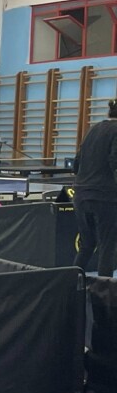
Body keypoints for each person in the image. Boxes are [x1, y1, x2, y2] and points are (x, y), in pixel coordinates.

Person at [73, 98, 117, 278]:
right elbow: (114, 162)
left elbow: (76, 164)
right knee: (107, 246)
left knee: (87, 244)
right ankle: (104, 292)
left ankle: (70, 285)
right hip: (104, 197)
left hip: (81, 195)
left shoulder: (93, 130)